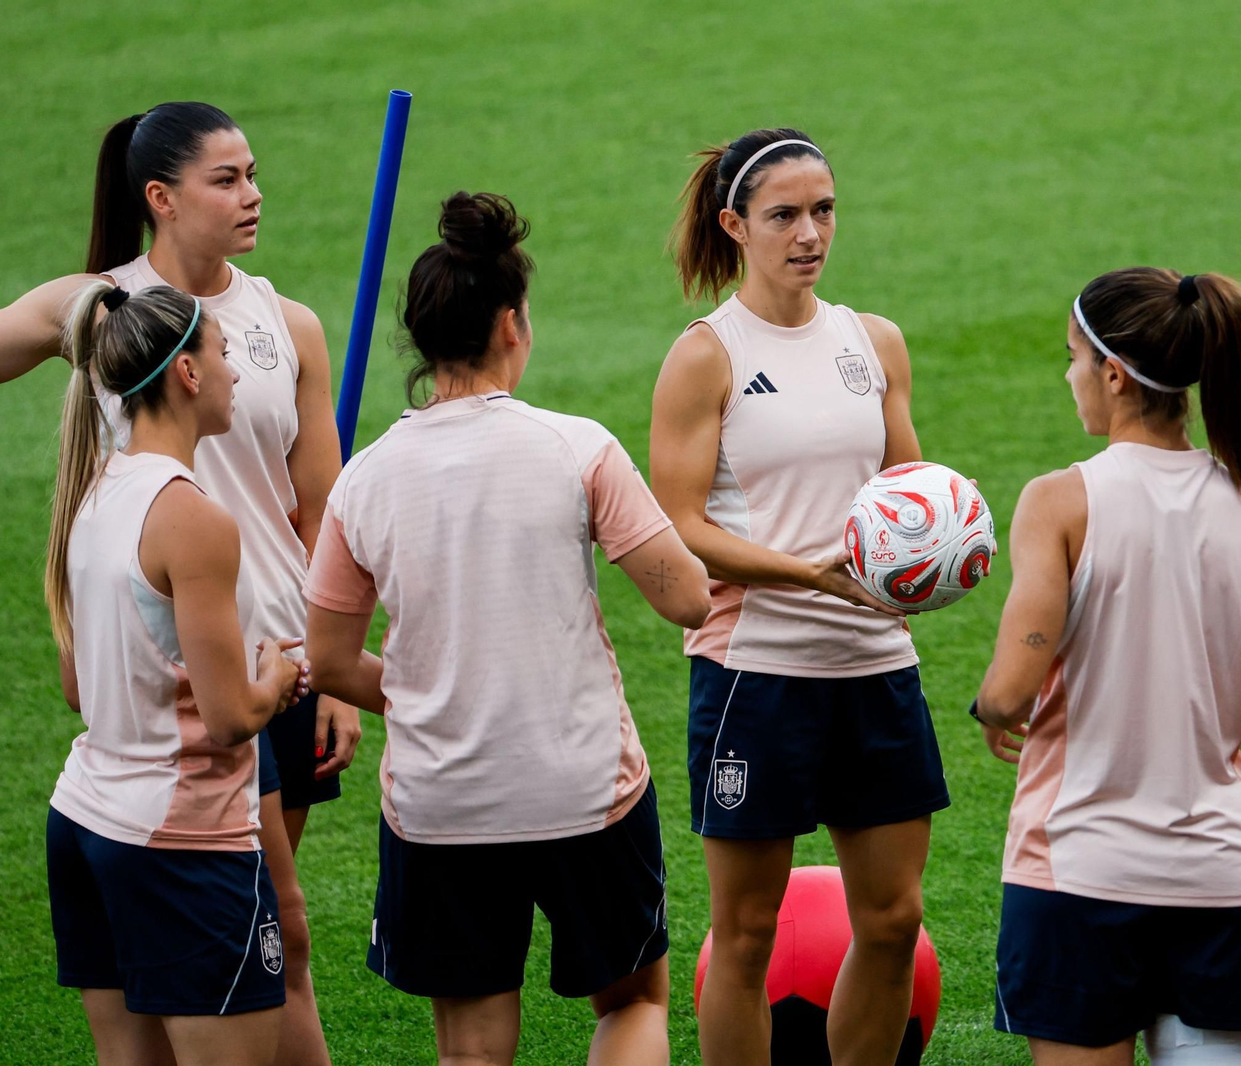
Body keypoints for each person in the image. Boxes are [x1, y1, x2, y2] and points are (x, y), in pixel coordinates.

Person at [0, 102, 351, 1063]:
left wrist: (334, 670)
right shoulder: (100, 308)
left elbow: (327, 518)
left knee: (279, 929)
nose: (253, 194)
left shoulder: (288, 325)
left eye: (252, 173)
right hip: (161, 682)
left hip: (278, 668)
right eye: (226, 180)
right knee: (239, 923)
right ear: (160, 198)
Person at [304, 192, 713, 1066]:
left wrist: (424, 697)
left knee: (471, 1050)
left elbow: (329, 661)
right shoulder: (578, 449)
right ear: (511, 325)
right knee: (633, 1000)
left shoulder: (363, 481)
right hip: (583, 788)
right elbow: (686, 598)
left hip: (439, 802)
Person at [649, 128, 948, 1066]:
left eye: (823, 210)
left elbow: (908, 485)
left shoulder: (875, 342)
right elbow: (681, 526)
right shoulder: (707, 355)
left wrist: (939, 538)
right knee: (743, 936)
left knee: (894, 920)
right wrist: (811, 573)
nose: (810, 233)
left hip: (874, 665)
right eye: (784, 215)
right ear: (736, 224)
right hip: (758, 673)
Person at [973, 268, 1241, 1066]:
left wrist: (990, 708)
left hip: (1080, 873)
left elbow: (1012, 689)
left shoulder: (1061, 500)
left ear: (1114, 375)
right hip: (1221, 877)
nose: (1069, 377)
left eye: (1072, 358)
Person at [44, 278, 310, 1066]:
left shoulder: (89, 493)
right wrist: (275, 676)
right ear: (188, 375)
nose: (233, 373)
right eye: (225, 355)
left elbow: (76, 688)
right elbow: (231, 718)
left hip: (85, 821)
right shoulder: (193, 516)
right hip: (183, 842)